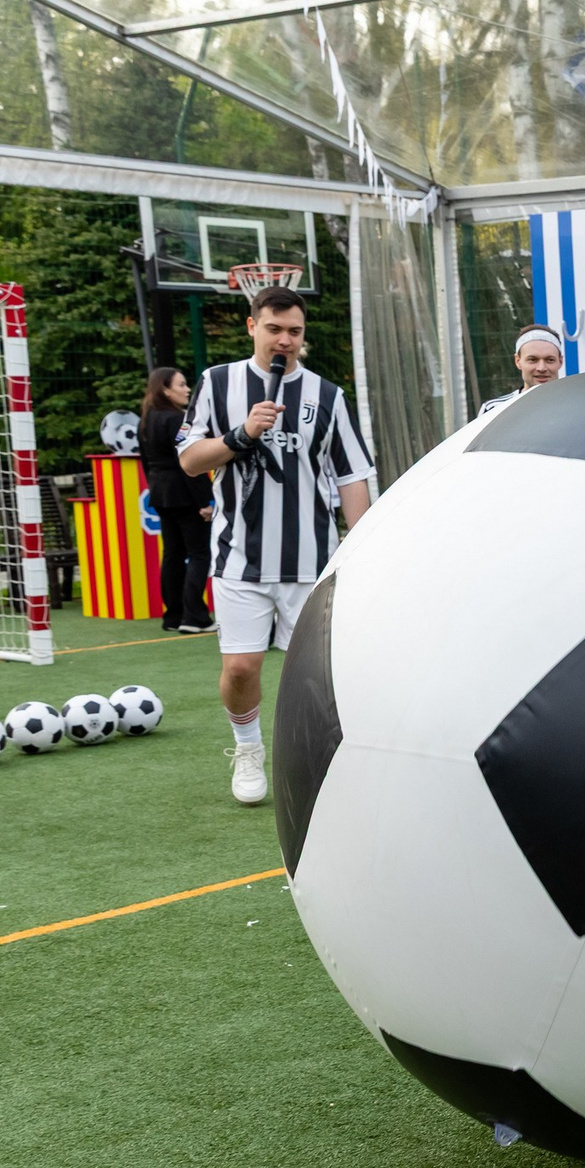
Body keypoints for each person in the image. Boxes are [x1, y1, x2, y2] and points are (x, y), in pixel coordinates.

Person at [178, 286, 374, 805]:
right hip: (238, 557)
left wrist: (364, 542)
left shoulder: (327, 395)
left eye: (294, 332)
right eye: (274, 329)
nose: (284, 340)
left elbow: (352, 474)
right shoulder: (217, 383)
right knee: (240, 668)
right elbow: (191, 459)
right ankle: (247, 747)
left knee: (312, 678)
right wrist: (242, 434)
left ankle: (312, 764)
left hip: (311, 562)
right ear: (252, 328)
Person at [139, 367, 213, 634]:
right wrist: (206, 500)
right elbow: (189, 460)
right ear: (165, 390)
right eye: (181, 385)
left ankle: (173, 615)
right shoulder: (178, 420)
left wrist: (155, 487)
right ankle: (195, 617)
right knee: (199, 553)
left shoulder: (146, 419)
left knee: (172, 553)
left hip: (160, 493)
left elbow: (146, 461)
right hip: (184, 493)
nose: (187, 389)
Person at [476, 325, 566, 418]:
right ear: (517, 361)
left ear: (560, 361)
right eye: (532, 360)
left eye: (550, 360)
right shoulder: (493, 409)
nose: (541, 368)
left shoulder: (576, 406)